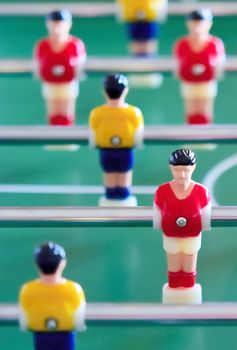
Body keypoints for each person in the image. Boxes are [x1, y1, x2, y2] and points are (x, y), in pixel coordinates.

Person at [153, 149, 211, 304]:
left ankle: (188, 290)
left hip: (192, 238)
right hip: (171, 237)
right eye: (178, 171)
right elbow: (157, 214)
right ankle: (174, 290)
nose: (182, 175)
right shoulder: (162, 192)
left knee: (188, 269)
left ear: (193, 168)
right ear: (171, 169)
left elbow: (206, 218)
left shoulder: (201, 192)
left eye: (185, 170)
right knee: (173, 269)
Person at [89, 74, 144, 206]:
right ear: (125, 90)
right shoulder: (134, 112)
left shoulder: (97, 112)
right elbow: (139, 134)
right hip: (125, 150)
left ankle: (112, 196)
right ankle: (122, 196)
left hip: (107, 150)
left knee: (110, 173)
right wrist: (138, 143)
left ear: (104, 91)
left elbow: (93, 133)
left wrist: (94, 143)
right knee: (124, 173)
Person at [19, 242, 86, 350]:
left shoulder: (27, 290)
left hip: (41, 336)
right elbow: (79, 322)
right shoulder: (74, 289)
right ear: (62, 264)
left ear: (37, 264)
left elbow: (25, 323)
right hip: (65, 336)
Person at [34, 9, 86, 126]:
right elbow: (37, 65)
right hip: (50, 83)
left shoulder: (75, 45)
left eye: (60, 24)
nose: (57, 28)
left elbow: (81, 66)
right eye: (54, 24)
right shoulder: (42, 45)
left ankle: (67, 139)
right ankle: (53, 138)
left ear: (68, 25)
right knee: (53, 112)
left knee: (67, 112)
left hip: (68, 83)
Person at [173, 9, 226, 124]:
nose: (197, 27)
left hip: (207, 83)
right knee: (191, 113)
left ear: (208, 24)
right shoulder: (181, 44)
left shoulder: (215, 44)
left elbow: (219, 68)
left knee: (205, 113)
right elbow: (177, 67)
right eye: (194, 24)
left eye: (200, 23)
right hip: (188, 83)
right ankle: (190, 140)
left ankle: (205, 140)